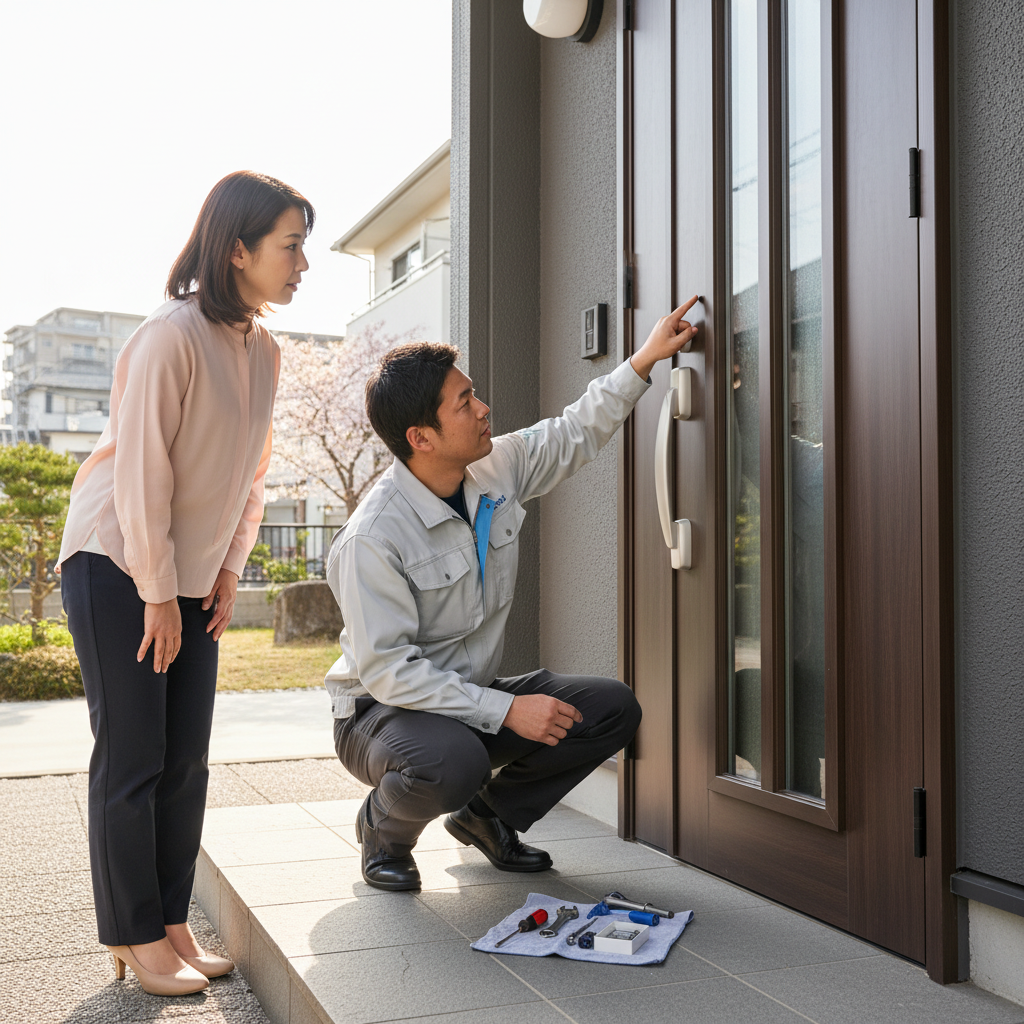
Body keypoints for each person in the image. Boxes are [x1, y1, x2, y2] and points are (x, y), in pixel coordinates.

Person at [325, 296, 699, 890]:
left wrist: (645, 358)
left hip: (467, 698)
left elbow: (574, 430)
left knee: (609, 708)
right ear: (420, 437)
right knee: (454, 761)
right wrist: (507, 710)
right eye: (464, 402)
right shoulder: (373, 537)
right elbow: (389, 672)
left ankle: (486, 818)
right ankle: (384, 833)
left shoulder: (494, 468)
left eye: (473, 393)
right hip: (381, 713)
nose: (483, 409)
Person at [57, 171, 313, 995]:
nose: (302, 261)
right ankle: (133, 936)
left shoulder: (264, 350)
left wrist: (230, 570)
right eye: (290, 244)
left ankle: (170, 922)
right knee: (132, 755)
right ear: (236, 250)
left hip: (192, 576)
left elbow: (253, 472)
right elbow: (141, 475)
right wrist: (160, 592)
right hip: (115, 560)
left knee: (186, 759)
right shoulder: (169, 336)